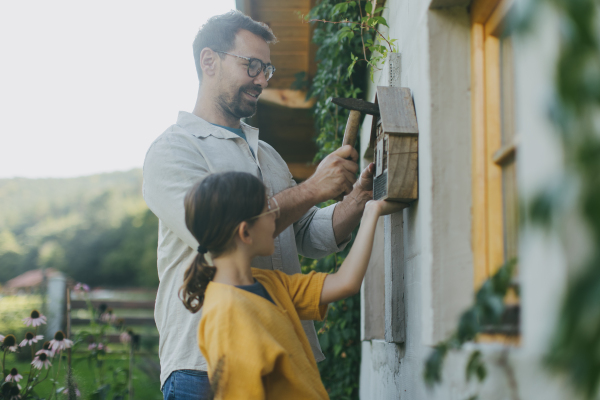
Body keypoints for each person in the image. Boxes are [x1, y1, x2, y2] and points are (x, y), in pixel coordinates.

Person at [143, 11, 375, 399]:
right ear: (209, 61)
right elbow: (214, 234)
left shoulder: (267, 155)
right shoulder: (174, 149)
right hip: (205, 368)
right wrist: (313, 188)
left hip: (283, 355)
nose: (263, 79)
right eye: (252, 65)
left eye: (267, 68)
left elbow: (308, 237)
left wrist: (357, 200)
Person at [180, 171, 405, 399]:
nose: (276, 217)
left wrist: (371, 211)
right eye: (268, 211)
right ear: (245, 232)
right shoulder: (227, 314)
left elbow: (345, 283)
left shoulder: (267, 283)